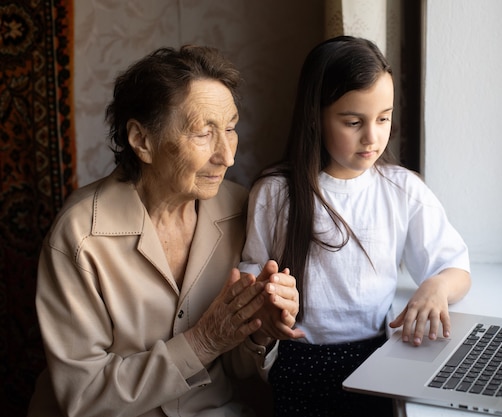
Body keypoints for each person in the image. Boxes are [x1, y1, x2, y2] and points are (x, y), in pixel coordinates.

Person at [27, 45, 304, 417]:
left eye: (231, 128)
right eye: (204, 133)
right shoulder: (79, 237)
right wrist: (202, 341)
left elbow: (237, 367)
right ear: (142, 141)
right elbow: (85, 396)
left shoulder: (241, 209)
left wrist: (259, 327)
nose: (228, 155)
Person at [239, 36, 472, 417]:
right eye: (353, 122)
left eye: (384, 118)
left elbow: (457, 268)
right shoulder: (275, 193)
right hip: (301, 364)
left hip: (377, 358)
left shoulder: (403, 190)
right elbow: (253, 274)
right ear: (315, 116)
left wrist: (436, 286)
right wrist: (268, 299)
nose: (373, 137)